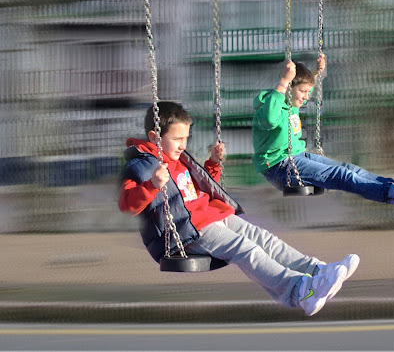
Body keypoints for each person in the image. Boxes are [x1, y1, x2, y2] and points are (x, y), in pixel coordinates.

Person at [118, 101, 359, 316]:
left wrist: (212, 164)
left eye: (186, 138)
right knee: (247, 250)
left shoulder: (176, 157)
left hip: (211, 215)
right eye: (177, 139)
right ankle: (300, 292)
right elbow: (127, 205)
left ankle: (318, 271)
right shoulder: (141, 166)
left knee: (264, 238)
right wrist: (151, 186)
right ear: (154, 137)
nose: (183, 144)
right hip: (189, 231)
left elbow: (193, 189)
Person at [252, 55, 394, 212]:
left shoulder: (290, 100)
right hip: (279, 166)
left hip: (296, 156)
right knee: (341, 176)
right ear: (287, 88)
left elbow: (301, 87)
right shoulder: (271, 105)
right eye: (303, 92)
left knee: (351, 169)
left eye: (308, 92)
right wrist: (283, 81)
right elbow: (269, 120)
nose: (306, 96)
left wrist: (316, 73)